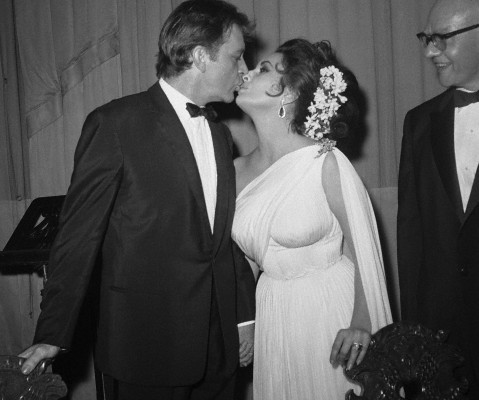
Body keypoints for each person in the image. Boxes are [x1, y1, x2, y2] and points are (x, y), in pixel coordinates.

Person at [18, 1, 257, 399]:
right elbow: (78, 237)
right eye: (236, 57)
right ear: (201, 56)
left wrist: (243, 317)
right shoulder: (115, 124)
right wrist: (52, 334)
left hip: (217, 351)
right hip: (147, 346)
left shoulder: (219, 134)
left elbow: (222, 238)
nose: (245, 70)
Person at [231, 38, 392, 400]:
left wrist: (361, 324)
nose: (247, 73)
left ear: (288, 94)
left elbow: (364, 252)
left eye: (264, 69)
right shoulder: (235, 171)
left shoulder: (326, 161)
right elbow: (245, 263)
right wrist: (245, 322)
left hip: (330, 312)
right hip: (274, 316)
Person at [397, 0, 479, 395]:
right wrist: (414, 337)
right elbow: (411, 239)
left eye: (442, 38)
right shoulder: (418, 123)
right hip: (443, 339)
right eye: (427, 39)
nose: (430, 51)